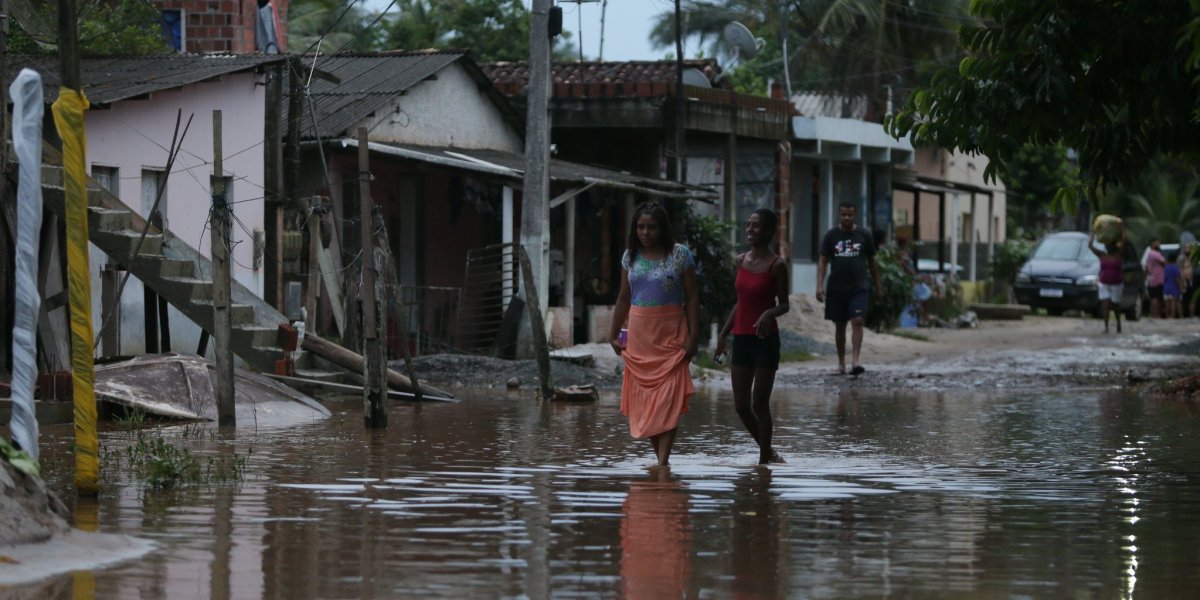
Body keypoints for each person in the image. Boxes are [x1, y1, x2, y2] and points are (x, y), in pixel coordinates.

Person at [610, 201, 699, 467]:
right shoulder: (630, 256)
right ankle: (660, 461)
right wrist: (613, 332)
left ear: (662, 228)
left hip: (671, 332)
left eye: (651, 227)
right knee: (647, 400)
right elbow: (624, 298)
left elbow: (693, 298)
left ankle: (663, 462)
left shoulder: (680, 255)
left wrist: (694, 337)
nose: (645, 233)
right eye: (640, 227)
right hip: (640, 334)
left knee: (668, 398)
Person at [714, 208, 790, 465]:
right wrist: (723, 336)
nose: (749, 229)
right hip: (741, 339)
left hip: (766, 341)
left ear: (768, 231)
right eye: (748, 225)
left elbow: (785, 305)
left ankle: (763, 465)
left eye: (755, 226)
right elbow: (740, 303)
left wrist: (769, 313)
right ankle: (768, 453)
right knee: (740, 405)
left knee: (760, 404)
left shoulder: (777, 265)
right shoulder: (740, 261)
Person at [816, 202, 882, 376]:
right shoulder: (831, 236)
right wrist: (819, 285)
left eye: (850, 215)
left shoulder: (864, 235)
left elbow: (872, 263)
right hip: (836, 288)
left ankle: (855, 361)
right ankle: (841, 364)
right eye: (844, 214)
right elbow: (823, 260)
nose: (847, 218)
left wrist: (878, 286)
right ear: (839, 215)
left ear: (855, 215)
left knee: (858, 320)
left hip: (859, 287)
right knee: (840, 326)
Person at [1088, 229, 1125, 333]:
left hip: (1117, 283)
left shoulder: (1118, 254)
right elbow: (1090, 246)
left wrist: (1122, 230)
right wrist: (1093, 233)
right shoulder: (1102, 255)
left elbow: (1123, 241)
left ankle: (1118, 323)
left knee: (1116, 305)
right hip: (1104, 283)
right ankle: (1106, 327)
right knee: (1105, 305)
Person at [1145, 237, 1166, 319]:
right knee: (1156, 298)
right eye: (1157, 242)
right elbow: (1164, 262)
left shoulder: (1149, 254)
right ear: (1153, 243)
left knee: (1154, 297)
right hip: (1157, 279)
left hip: (1151, 278)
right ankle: (1157, 315)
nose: (1159, 244)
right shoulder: (1155, 253)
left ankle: (1153, 314)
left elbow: (1146, 267)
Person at [1164, 252, 1183, 319]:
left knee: (1167, 303)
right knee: (1173, 302)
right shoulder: (1175, 267)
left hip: (1166, 287)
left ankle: (1167, 316)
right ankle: (1172, 316)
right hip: (1173, 287)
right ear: (1175, 259)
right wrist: (1180, 286)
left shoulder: (1166, 267)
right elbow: (1177, 278)